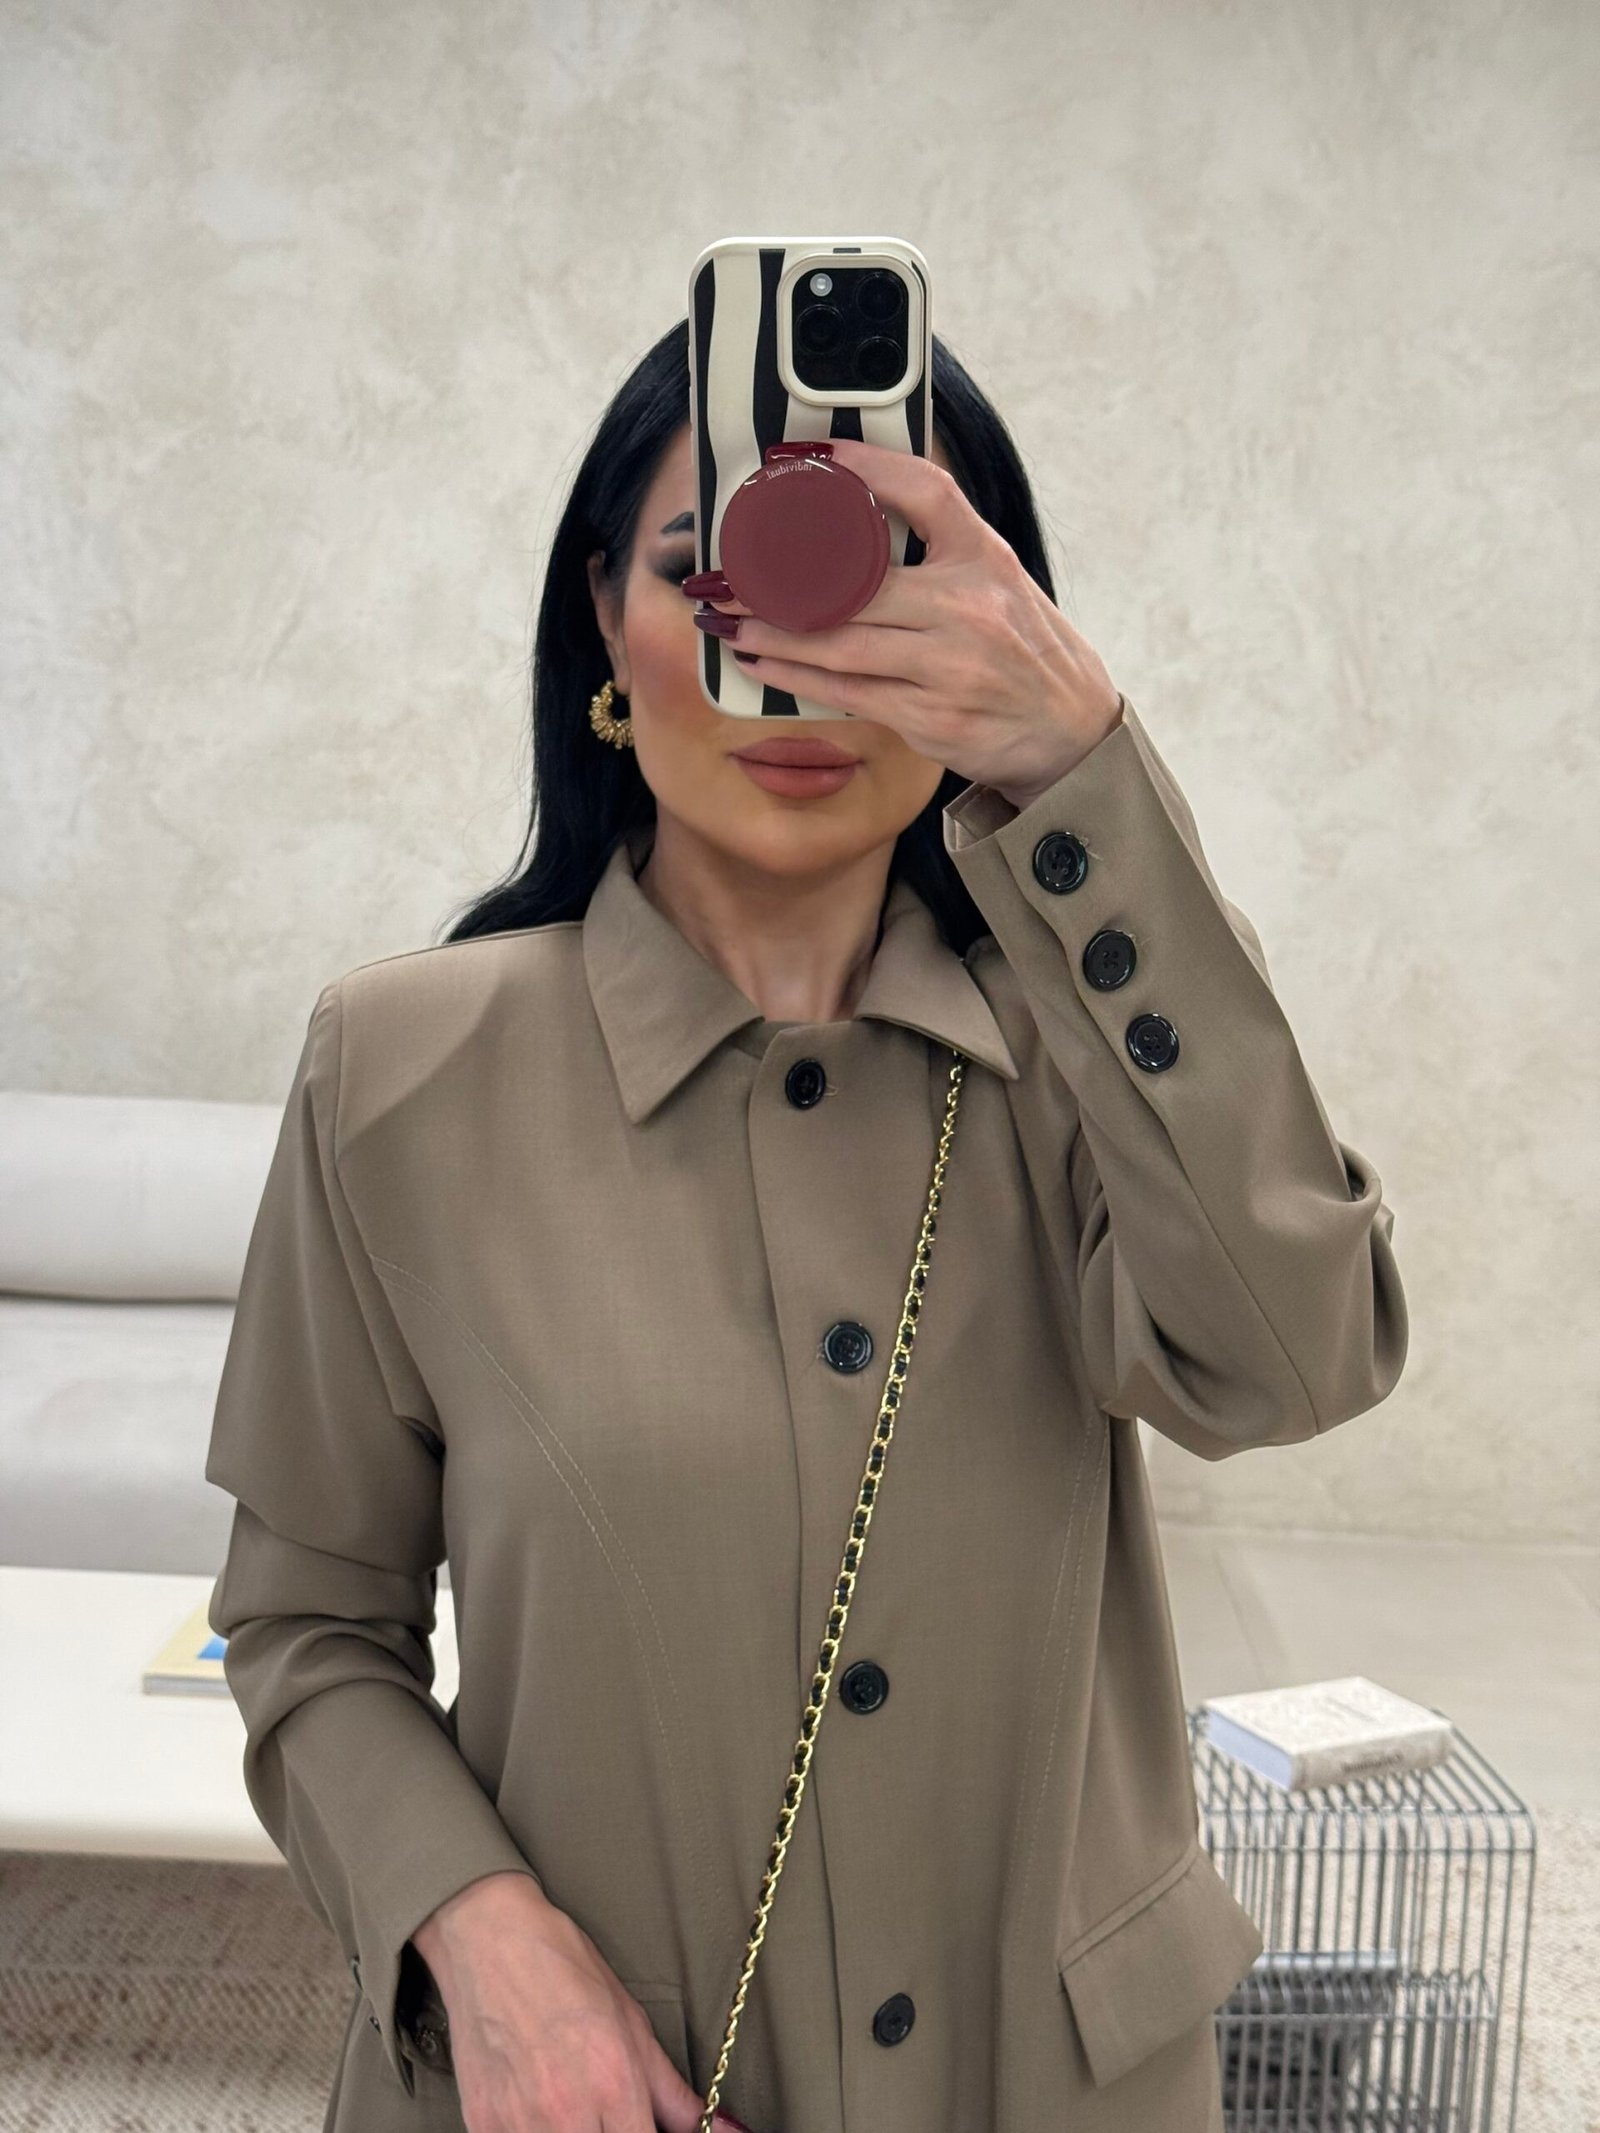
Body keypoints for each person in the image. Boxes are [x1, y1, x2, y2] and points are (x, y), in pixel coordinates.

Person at [204, 321, 1408, 2133]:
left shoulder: (1103, 1047)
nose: (793, 669)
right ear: (603, 619)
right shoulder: (401, 1074)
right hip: (595, 2095)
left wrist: (1086, 772)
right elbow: (306, 1624)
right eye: (714, 577)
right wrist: (481, 1933)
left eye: (873, 583)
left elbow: (1297, 1362)